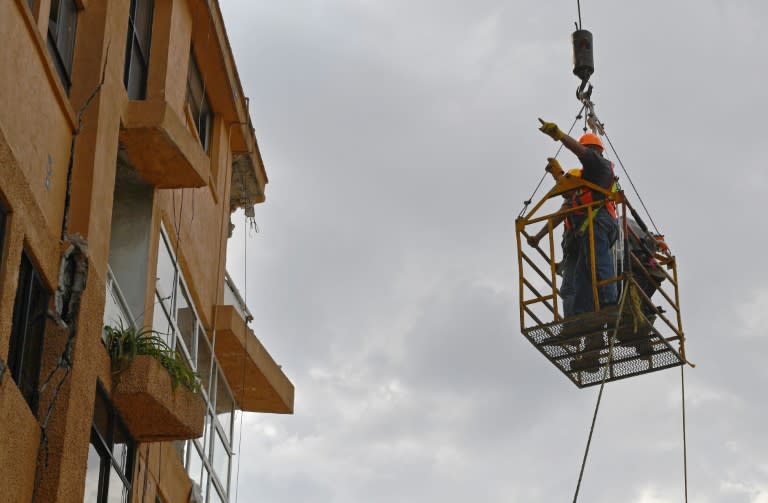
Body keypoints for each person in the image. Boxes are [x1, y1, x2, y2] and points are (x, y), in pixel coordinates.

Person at [537, 119, 619, 317]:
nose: (585, 156)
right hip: (583, 232)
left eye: (588, 151)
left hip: (599, 222)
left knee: (598, 263)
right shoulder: (584, 181)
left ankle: (609, 303)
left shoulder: (602, 166)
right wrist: (556, 175)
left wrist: (560, 135)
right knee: (580, 277)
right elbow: (569, 195)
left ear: (595, 152)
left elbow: (583, 154)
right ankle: (580, 316)